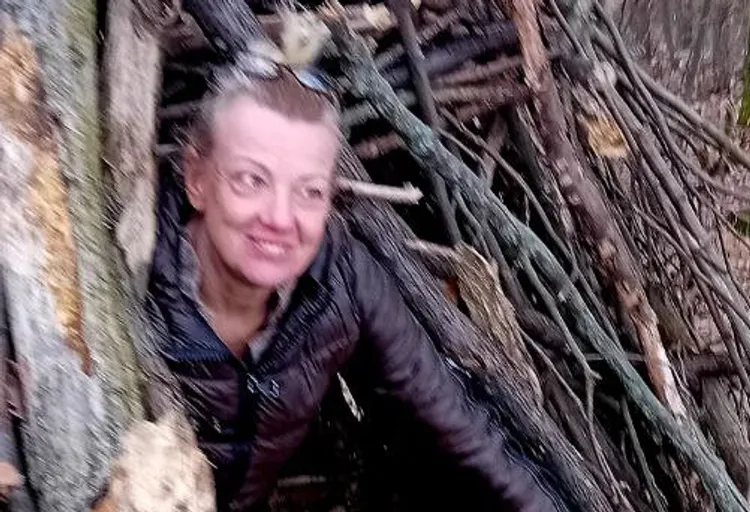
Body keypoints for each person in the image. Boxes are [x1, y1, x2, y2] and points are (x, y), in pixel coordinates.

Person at [145, 63, 562, 512]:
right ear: (197, 179)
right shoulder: (138, 287)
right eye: (252, 180)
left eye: (309, 192)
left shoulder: (338, 282)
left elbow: (457, 421)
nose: (281, 218)